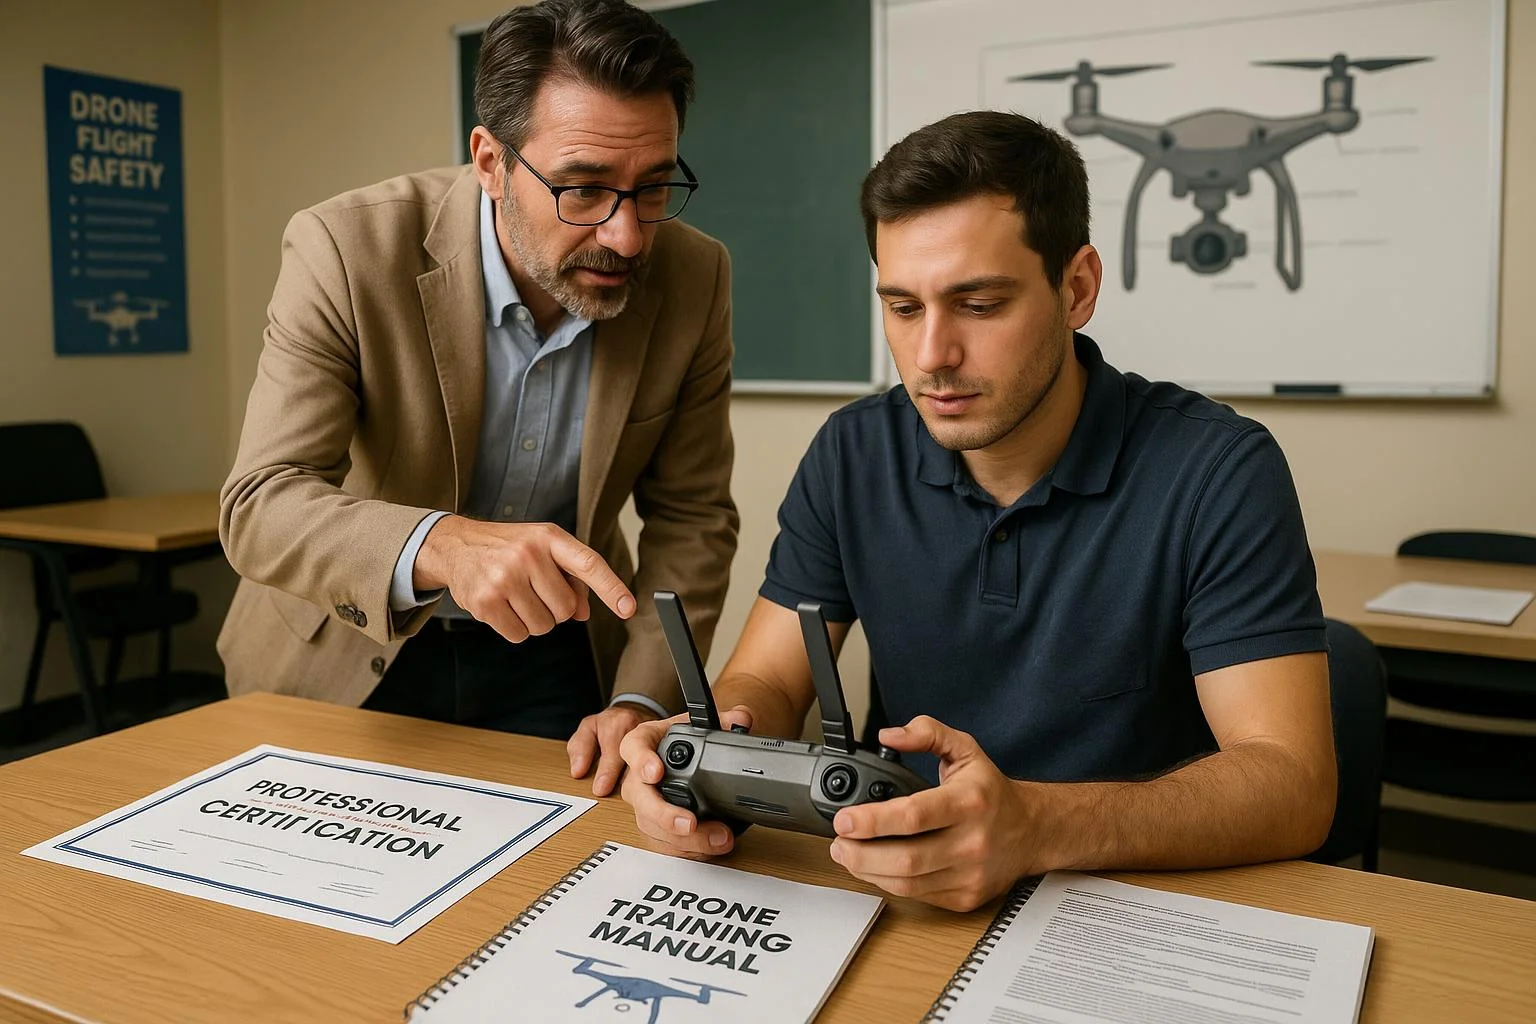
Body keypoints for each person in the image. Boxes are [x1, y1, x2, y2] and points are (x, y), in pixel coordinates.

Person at [620, 110, 1336, 911]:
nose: (933, 357)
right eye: (903, 308)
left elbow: (1292, 783)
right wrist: (724, 755)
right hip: (902, 887)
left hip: (1135, 900)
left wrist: (1036, 825)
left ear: (1078, 288)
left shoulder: (1218, 471)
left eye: (980, 304)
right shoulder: (853, 453)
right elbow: (769, 675)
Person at [218, 0, 738, 797]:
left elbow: (693, 519)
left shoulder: (696, 277)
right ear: (491, 163)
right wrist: (442, 546)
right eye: (583, 189)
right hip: (340, 645)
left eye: (655, 186)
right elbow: (261, 503)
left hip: (560, 662)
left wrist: (641, 697)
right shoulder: (344, 248)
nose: (628, 235)